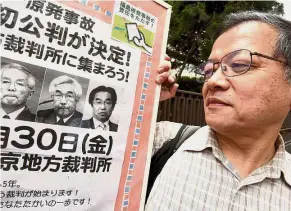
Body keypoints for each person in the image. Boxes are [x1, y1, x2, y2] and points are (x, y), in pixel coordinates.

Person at [146, 11, 291, 210]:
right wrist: (141, 97)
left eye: (239, 65)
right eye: (209, 70)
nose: (213, 82)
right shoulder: (160, 141)